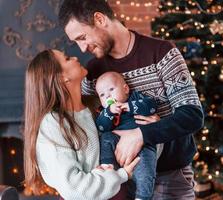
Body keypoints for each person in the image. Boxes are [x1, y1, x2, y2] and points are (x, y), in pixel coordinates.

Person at [58, 0, 204, 199]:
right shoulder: (91, 73)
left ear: (99, 19)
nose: (82, 48)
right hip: (116, 184)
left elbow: (192, 116)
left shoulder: (161, 53)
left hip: (168, 180)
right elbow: (88, 128)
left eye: (82, 37)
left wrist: (142, 134)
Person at [23, 49, 140, 200]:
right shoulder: (53, 123)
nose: (75, 57)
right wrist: (121, 175)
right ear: (61, 78)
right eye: (67, 58)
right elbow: (74, 188)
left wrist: (145, 130)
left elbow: (136, 140)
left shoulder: (99, 105)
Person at [95, 71, 160, 200]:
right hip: (117, 143)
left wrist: (128, 106)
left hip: (143, 144)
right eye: (102, 95)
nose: (108, 96)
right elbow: (101, 127)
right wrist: (109, 112)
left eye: (111, 89)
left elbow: (151, 107)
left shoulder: (135, 98)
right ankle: (108, 165)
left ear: (125, 89)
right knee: (106, 137)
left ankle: (143, 196)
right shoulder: (106, 112)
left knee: (146, 172)